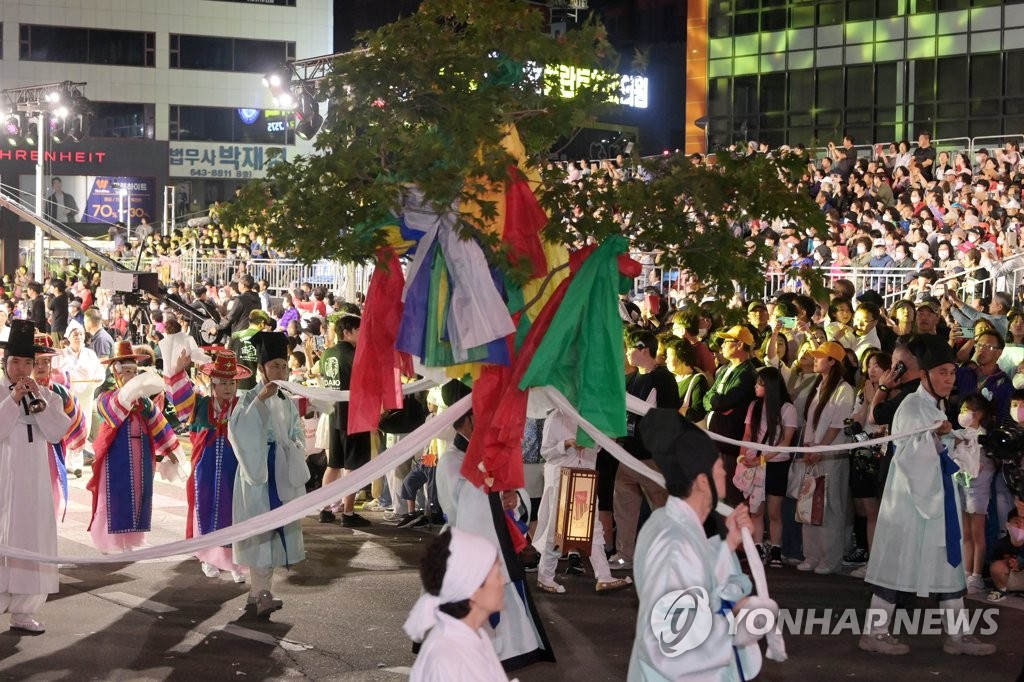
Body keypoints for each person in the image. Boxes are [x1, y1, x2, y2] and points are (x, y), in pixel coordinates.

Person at [861, 335, 996, 656]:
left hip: (935, 500)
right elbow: (909, 453)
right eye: (942, 373)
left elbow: (935, 449)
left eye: (952, 373)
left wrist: (954, 440)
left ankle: (958, 635)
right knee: (897, 562)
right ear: (924, 375)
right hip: (910, 503)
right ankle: (874, 633)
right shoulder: (911, 405)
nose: (949, 379)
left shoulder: (933, 405)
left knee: (947, 564)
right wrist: (940, 438)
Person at [628, 411, 772, 681]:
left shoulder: (669, 523)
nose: (725, 471)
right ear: (703, 482)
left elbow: (697, 583)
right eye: (719, 467)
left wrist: (729, 543)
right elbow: (670, 642)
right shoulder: (673, 541)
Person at [433, 379, 554, 670]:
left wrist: (514, 497)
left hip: (493, 543)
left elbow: (514, 489)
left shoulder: (491, 451)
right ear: (463, 421)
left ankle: (506, 649)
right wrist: (496, 495)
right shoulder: (451, 458)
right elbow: (455, 506)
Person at [228, 331, 308, 618]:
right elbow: (238, 431)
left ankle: (257, 592)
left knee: (276, 532)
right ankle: (261, 593)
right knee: (261, 530)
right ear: (262, 368)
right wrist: (259, 401)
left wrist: (295, 445)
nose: (280, 371)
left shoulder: (286, 398)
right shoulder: (248, 397)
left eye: (284, 365)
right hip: (258, 473)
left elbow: (296, 431)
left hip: (281, 470)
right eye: (275, 365)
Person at [0, 320, 74, 634]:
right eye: (14, 362)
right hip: (4, 477)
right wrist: (13, 399)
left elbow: (58, 432)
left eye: (27, 363)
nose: (20, 369)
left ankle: (24, 611)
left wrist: (36, 403)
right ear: (5, 363)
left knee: (32, 537)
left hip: (34, 482)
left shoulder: (48, 395)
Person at [86, 340, 183, 553]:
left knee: (139, 494)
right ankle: (110, 540)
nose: (130, 375)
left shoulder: (144, 402)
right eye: (126, 370)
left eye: (133, 370)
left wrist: (169, 450)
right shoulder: (106, 397)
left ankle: (130, 539)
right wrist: (131, 393)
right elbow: (114, 411)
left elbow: (158, 425)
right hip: (115, 455)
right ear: (116, 372)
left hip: (141, 454)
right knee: (115, 495)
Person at [166, 349, 251, 583]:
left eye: (231, 383)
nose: (228, 387)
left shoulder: (242, 407)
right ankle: (208, 558)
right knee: (205, 511)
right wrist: (179, 370)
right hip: (205, 470)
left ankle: (235, 562)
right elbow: (180, 403)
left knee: (234, 512)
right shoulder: (200, 404)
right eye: (223, 382)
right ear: (213, 383)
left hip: (234, 471)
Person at [533, 407, 632, 594]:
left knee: (592, 529)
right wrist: (567, 444)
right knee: (557, 530)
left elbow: (600, 447)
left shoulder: (593, 416)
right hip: (562, 478)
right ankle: (545, 576)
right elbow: (546, 452)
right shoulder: (556, 415)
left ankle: (603, 576)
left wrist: (605, 437)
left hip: (584, 478)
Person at [403, 528, 512, 682]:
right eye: (497, 575)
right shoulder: (448, 659)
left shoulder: (473, 635)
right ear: (473, 589)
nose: (503, 581)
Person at [797, 341, 855, 575]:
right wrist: (809, 448)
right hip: (813, 452)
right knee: (808, 504)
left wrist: (819, 448)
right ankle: (811, 555)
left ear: (833, 361)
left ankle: (830, 558)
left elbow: (836, 425)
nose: (815, 359)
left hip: (831, 455)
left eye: (821, 356)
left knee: (830, 506)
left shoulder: (844, 389)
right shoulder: (817, 385)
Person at [737, 366, 797, 568]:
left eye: (759, 383)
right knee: (756, 510)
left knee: (774, 511)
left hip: (776, 464)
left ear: (769, 385)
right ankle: (757, 547)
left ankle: (776, 550)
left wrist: (762, 458)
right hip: (755, 464)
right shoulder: (754, 406)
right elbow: (747, 434)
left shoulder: (787, 408)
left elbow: (786, 441)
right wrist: (742, 457)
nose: (755, 386)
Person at [317, 314, 372, 527]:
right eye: (360, 330)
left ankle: (324, 508)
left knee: (333, 464)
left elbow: (323, 377)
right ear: (347, 332)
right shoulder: (358, 354)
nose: (363, 334)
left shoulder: (327, 353)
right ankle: (348, 513)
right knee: (353, 467)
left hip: (333, 415)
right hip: (354, 416)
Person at [32, 334, 87, 522]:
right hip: (25, 448)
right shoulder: (17, 389)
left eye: (45, 362)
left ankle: (48, 527)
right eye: (36, 362)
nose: (41, 367)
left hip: (50, 449)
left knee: (50, 487)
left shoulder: (60, 392)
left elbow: (75, 418)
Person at [59, 320, 104, 477]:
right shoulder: (61, 355)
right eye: (75, 334)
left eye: (81, 334)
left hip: (85, 395)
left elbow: (100, 372)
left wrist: (99, 378)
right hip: (68, 397)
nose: (78, 337)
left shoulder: (90, 354)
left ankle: (76, 463)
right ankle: (65, 461)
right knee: (67, 428)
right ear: (68, 337)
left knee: (84, 427)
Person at [988, 509, 1024, 602]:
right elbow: (994, 566)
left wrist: (1019, 564)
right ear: (1008, 525)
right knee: (997, 566)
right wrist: (1008, 562)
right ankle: (1001, 591)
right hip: (1009, 581)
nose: (1021, 527)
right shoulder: (1000, 544)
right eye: (1017, 522)